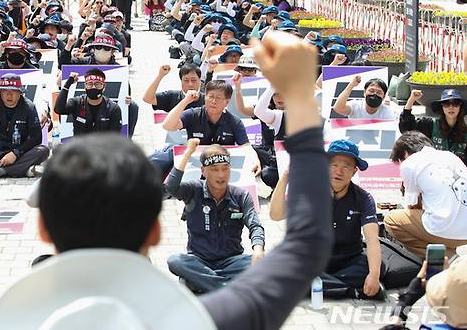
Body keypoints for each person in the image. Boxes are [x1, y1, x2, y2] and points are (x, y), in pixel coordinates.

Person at [0, 31, 333, 330]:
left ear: (42, 229)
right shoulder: (201, 329)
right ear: (155, 232)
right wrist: (300, 96)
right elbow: (307, 247)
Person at [273, 140, 385, 299]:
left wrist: (374, 275)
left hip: (349, 260)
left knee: (375, 268)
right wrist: (285, 177)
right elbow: (276, 215)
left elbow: (373, 240)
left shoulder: (363, 198)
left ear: (354, 171)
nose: (339, 171)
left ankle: (314, 287)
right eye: (333, 165)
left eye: (346, 166)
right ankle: (348, 290)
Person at [165, 139, 265, 293]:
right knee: (176, 261)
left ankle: (201, 282)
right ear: (203, 172)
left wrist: (258, 250)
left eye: (225, 169)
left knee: (265, 262)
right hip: (199, 261)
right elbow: (171, 186)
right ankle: (226, 289)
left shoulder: (241, 195)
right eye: (214, 169)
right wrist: (188, 152)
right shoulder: (193, 190)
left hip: (232, 261)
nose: (221, 174)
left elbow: (255, 225)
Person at [385, 131, 467, 258]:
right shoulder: (450, 156)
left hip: (445, 230)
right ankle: (453, 256)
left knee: (391, 220)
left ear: (405, 153)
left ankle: (445, 259)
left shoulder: (410, 163)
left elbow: (413, 205)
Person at [400, 89, 467, 164]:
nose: (451, 107)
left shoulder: (465, 131)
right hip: (433, 171)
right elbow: (406, 128)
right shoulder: (430, 124)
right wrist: (411, 100)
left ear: (460, 107)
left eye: (456, 103)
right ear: (442, 107)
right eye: (446, 103)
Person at [54, 69, 122, 136]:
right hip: (80, 146)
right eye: (90, 84)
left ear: (104, 87)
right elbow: (58, 109)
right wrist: (67, 84)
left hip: (103, 146)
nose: (93, 87)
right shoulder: (77, 102)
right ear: (85, 86)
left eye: (97, 84)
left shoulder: (113, 108)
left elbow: (114, 138)